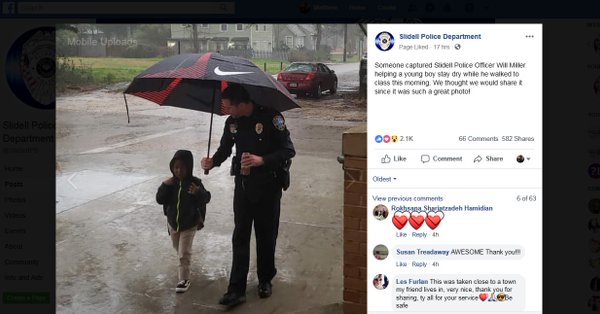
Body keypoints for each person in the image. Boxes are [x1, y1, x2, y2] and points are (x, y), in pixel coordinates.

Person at [201, 84, 295, 307]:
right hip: (243, 186)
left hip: (268, 186)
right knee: (240, 235)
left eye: (228, 107)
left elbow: (288, 150)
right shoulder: (232, 123)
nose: (226, 111)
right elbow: (225, 149)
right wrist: (212, 162)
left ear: (242, 104)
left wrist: (262, 160)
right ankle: (236, 289)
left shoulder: (272, 117)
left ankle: (265, 280)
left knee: (266, 234)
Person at [156, 150, 211, 293]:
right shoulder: (171, 184)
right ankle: (184, 265)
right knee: (178, 249)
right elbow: (159, 199)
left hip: (189, 224)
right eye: (176, 168)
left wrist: (198, 192)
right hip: (173, 223)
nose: (179, 171)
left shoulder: (195, 183)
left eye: (182, 168)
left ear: (189, 167)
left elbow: (206, 198)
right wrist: (164, 185)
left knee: (183, 253)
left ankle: (184, 279)